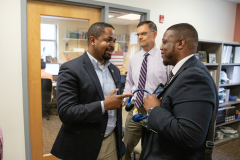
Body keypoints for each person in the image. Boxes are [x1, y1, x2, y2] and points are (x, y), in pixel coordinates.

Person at [51, 22, 133, 160]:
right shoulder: (71, 69)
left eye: (114, 41)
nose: (113, 45)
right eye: (108, 40)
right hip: (82, 145)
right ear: (92, 40)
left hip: (111, 143)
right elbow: (66, 112)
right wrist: (104, 105)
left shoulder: (115, 70)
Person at [141, 23, 218, 160]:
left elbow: (190, 136)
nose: (161, 47)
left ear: (180, 43)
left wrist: (154, 110)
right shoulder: (184, 71)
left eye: (164, 42)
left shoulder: (194, 76)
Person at [122, 21, 172, 160]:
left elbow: (169, 84)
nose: (140, 37)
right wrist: (125, 100)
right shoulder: (134, 59)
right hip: (136, 109)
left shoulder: (164, 58)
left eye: (143, 33)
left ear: (154, 34)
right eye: (138, 34)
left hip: (156, 110)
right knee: (126, 146)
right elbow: (130, 82)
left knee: (152, 147)